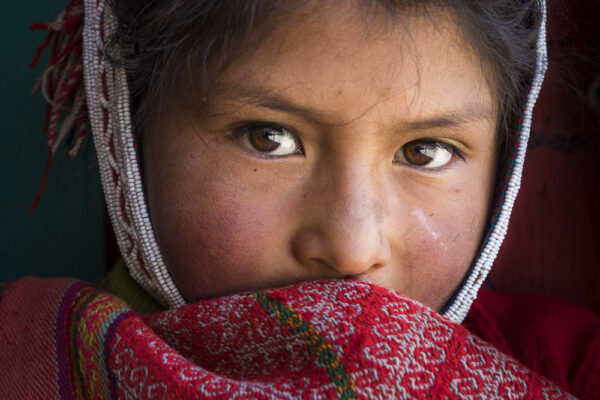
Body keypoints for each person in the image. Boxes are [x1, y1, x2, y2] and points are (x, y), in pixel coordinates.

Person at [0, 0, 597, 398]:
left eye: (426, 152)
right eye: (270, 138)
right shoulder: (23, 362)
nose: (351, 247)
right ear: (129, 132)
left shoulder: (573, 368)